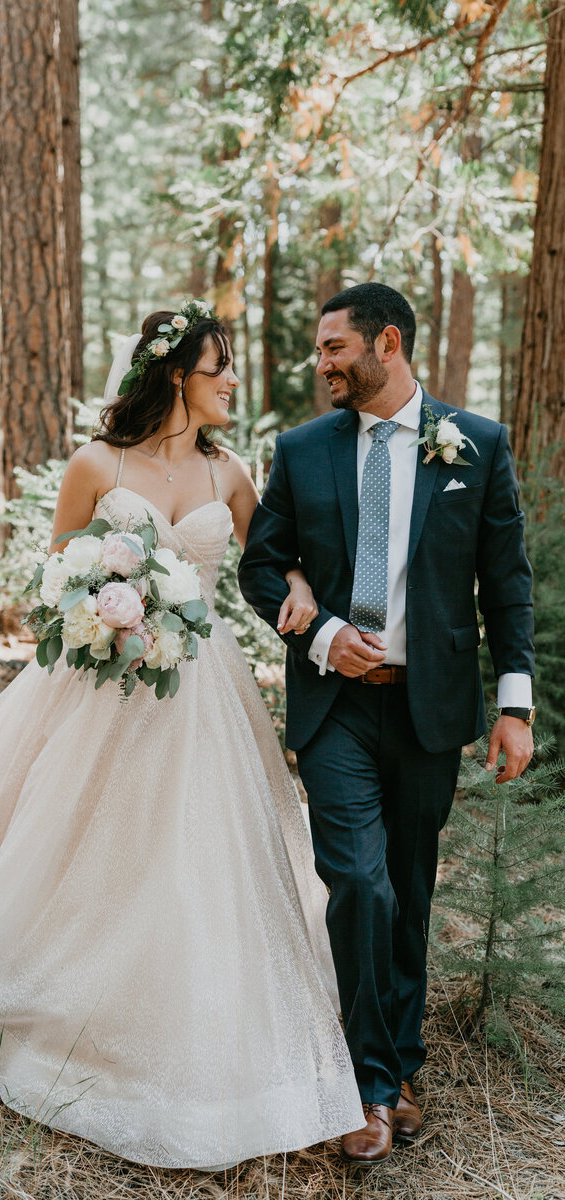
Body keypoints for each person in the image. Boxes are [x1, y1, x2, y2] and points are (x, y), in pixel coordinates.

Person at [0, 301, 364, 1171]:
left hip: (204, 680)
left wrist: (303, 581)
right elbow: (59, 572)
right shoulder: (96, 462)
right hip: (105, 673)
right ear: (173, 376)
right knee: (78, 816)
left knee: (199, 827)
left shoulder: (231, 472)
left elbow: (272, 553)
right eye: (218, 367)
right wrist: (103, 612)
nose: (233, 380)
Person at [238, 282, 535, 1166]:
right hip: (334, 708)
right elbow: (263, 565)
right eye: (322, 349)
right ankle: (366, 1088)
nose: (322, 363)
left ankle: (401, 1066)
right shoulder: (301, 449)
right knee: (359, 883)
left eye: (335, 347)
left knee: (407, 892)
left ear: (388, 344)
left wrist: (514, 703)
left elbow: (506, 581)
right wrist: (325, 633)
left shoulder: (474, 445)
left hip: (429, 706)